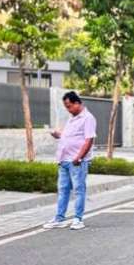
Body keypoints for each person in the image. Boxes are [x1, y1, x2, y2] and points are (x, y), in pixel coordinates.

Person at [43, 91, 96, 230]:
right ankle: (59, 218)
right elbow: (69, 137)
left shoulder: (88, 118)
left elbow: (89, 139)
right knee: (63, 190)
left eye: (69, 106)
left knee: (79, 190)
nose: (68, 109)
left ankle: (78, 219)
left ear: (77, 103)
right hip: (64, 160)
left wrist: (79, 157)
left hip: (76, 161)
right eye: (66, 106)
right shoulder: (72, 119)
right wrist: (58, 135)